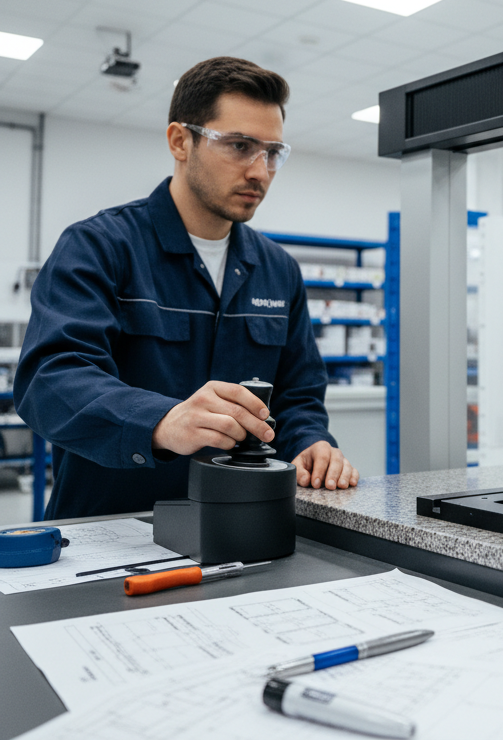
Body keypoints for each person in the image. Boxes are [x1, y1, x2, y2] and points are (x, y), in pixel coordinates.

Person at [14, 56, 359, 519]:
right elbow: (50, 380)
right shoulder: (100, 247)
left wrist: (311, 442)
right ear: (180, 141)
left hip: (238, 524)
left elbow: (297, 394)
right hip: (112, 530)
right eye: (239, 145)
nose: (260, 171)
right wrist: (160, 421)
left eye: (272, 152)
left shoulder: (277, 270)